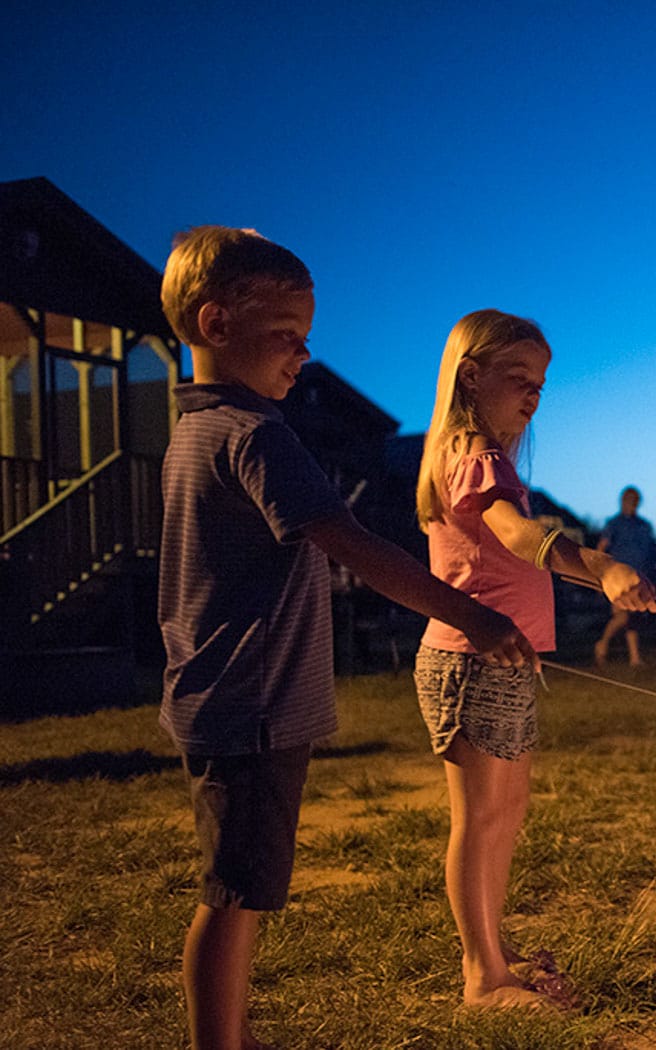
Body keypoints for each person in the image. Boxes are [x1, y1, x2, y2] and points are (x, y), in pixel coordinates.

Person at [157, 228, 537, 1050]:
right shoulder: (254, 436)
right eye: (288, 336)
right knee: (235, 891)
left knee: (243, 881)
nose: (303, 356)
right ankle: (217, 1042)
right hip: (249, 700)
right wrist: (470, 612)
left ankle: (231, 1032)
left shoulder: (195, 429)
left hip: (227, 695)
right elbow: (353, 543)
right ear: (217, 323)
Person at [414, 309, 656, 1007]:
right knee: (480, 817)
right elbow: (518, 537)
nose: (532, 394)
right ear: (470, 376)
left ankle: (494, 945)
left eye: (542, 384)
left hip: (504, 661)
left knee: (506, 810)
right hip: (468, 661)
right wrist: (601, 565)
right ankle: (482, 976)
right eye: (518, 377)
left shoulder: (482, 457)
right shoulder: (475, 454)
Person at [594, 485, 656, 668]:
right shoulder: (614, 524)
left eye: (635, 501)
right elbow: (601, 548)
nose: (632, 504)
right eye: (629, 500)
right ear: (622, 501)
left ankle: (634, 658)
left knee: (634, 618)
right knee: (622, 616)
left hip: (640, 577)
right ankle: (602, 644)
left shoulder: (644, 526)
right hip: (618, 579)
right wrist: (598, 573)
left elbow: (652, 553)